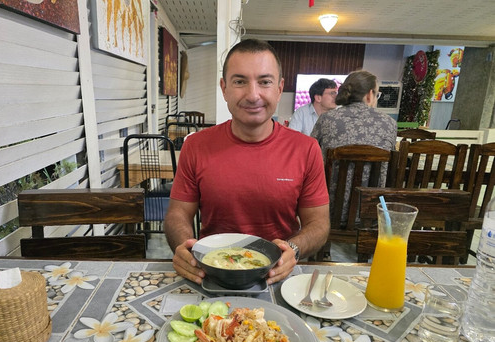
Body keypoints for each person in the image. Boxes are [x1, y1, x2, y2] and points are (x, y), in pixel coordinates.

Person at [164, 39, 330, 286]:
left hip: (279, 278)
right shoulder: (196, 145)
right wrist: (185, 248)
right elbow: (177, 214)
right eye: (240, 81)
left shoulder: (306, 149)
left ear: (279, 88)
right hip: (211, 274)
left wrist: (293, 249)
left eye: (265, 82)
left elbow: (319, 224)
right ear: (224, 88)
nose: (253, 95)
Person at [310, 70, 397, 222]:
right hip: (371, 212)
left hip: (330, 210)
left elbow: (310, 158)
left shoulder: (327, 119)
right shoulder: (389, 123)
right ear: (369, 95)